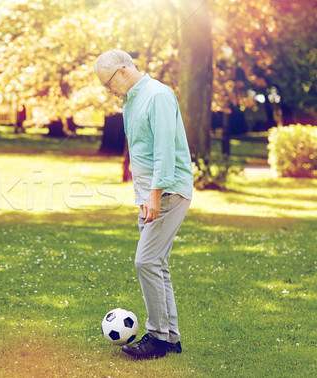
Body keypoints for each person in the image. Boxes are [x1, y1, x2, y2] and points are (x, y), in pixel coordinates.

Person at [94, 50, 193, 359]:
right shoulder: (132, 101)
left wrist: (154, 194)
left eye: (109, 83)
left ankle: (158, 336)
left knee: (145, 261)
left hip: (167, 192)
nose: (109, 90)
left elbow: (164, 149)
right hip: (150, 196)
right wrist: (142, 196)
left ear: (123, 71)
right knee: (157, 264)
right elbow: (142, 149)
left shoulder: (157, 96)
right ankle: (170, 336)